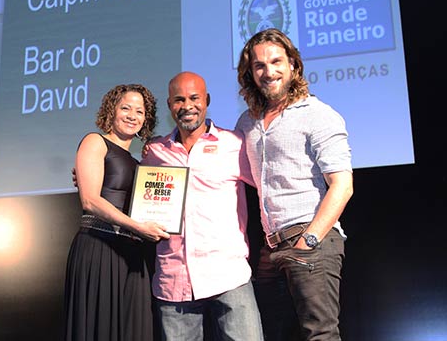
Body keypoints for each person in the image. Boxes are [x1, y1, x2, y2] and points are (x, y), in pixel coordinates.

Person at [235, 28, 354, 341]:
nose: (268, 71)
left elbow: (342, 184)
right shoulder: (247, 122)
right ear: (250, 72)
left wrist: (309, 241)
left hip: (310, 239)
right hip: (270, 248)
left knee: (320, 335)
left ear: (294, 66)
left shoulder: (318, 115)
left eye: (276, 62)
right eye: (259, 65)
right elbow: (244, 175)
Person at [141, 71, 264, 341]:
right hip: (174, 278)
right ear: (169, 105)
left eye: (194, 98)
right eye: (179, 100)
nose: (187, 106)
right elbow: (136, 192)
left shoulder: (233, 144)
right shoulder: (155, 152)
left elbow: (268, 185)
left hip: (228, 273)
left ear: (206, 100)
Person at [63, 84, 170, 341]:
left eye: (140, 111)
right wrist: (139, 228)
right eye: (126, 108)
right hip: (99, 247)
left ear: (146, 118)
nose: (132, 115)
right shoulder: (95, 142)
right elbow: (90, 201)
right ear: (112, 110)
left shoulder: (139, 164)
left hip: (132, 253)